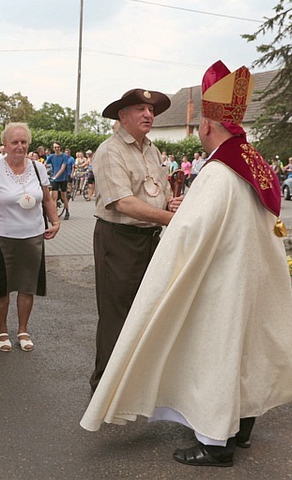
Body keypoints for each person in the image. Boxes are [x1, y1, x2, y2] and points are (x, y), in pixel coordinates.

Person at [81, 61, 292, 468]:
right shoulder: (252, 162)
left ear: (208, 126)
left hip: (221, 281)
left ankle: (217, 442)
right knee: (242, 350)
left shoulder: (218, 171)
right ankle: (242, 423)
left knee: (215, 349)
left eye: (199, 122)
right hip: (245, 275)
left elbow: (190, 233)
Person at [88, 88, 180, 391]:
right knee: (116, 313)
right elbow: (123, 203)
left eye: (151, 110)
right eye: (140, 109)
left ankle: (133, 385)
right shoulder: (110, 150)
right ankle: (105, 387)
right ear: (122, 116)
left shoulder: (152, 150)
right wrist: (171, 219)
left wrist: (171, 206)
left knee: (146, 310)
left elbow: (157, 194)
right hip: (119, 238)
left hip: (149, 238)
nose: (148, 115)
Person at [0, 123, 60, 353]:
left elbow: (46, 199)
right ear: (5, 145)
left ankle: (23, 329)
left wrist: (55, 222)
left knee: (27, 287)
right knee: (0, 288)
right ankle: (2, 330)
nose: (20, 146)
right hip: (1, 238)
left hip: (32, 236)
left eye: (23, 142)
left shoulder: (37, 168)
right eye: (15, 142)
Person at [46, 142, 71, 220]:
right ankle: (53, 213)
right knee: (54, 197)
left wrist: (55, 176)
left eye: (58, 147)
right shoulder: (51, 156)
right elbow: (45, 164)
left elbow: (62, 168)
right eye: (55, 147)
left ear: (60, 148)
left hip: (62, 178)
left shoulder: (64, 156)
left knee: (63, 196)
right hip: (55, 179)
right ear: (53, 148)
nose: (57, 149)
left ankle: (67, 211)